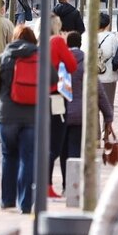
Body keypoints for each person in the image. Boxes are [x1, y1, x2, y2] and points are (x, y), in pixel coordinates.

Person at [0, 25, 42, 214]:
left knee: (8, 156)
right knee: (27, 158)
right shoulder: (40, 57)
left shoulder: (4, 57)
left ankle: (7, 200)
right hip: (32, 115)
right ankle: (25, 203)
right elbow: (54, 79)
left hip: (7, 114)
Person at [61, 32, 113, 191]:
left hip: (61, 113)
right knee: (76, 148)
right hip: (81, 114)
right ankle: (74, 184)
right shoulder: (87, 63)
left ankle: (65, 183)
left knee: (63, 150)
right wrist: (108, 115)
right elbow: (99, 92)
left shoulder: (60, 62)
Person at [47, 15, 79, 198]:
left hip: (38, 97)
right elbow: (72, 65)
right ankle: (47, 183)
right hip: (56, 96)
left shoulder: (38, 40)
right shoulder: (57, 41)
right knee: (56, 141)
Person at [95, 12, 118, 106]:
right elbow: (117, 56)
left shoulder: (87, 37)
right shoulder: (111, 37)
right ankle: (108, 121)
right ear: (107, 24)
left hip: (92, 77)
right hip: (108, 76)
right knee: (109, 106)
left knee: (93, 108)